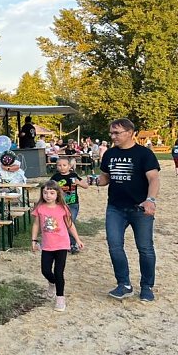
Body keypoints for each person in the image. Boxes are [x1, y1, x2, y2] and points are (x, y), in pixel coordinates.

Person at [93, 118, 160, 302]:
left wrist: (150, 200)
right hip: (115, 208)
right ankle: (124, 284)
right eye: (111, 133)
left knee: (145, 248)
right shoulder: (109, 154)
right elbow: (106, 177)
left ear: (130, 133)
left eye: (117, 133)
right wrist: (93, 181)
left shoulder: (144, 154)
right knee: (115, 246)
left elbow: (153, 179)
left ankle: (147, 286)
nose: (112, 136)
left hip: (140, 208)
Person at [31, 181, 83, 312]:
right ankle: (52, 283)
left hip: (61, 244)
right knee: (46, 271)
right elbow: (36, 225)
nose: (48, 195)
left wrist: (77, 239)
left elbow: (70, 225)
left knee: (59, 272)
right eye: (45, 192)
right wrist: (34, 240)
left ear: (57, 194)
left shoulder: (62, 208)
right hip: (47, 245)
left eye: (52, 193)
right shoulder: (40, 208)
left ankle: (60, 297)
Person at [51, 157, 89, 254]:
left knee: (70, 223)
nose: (62, 167)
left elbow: (86, 186)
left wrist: (78, 182)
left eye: (64, 165)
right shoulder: (55, 177)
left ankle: (72, 244)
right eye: (59, 165)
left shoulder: (74, 175)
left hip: (73, 204)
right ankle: (60, 242)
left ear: (69, 166)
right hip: (59, 204)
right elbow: (49, 188)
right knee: (59, 223)